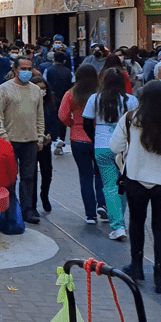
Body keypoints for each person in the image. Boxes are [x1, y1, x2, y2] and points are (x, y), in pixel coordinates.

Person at [109, 81, 161, 294]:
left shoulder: (131, 119)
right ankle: (160, 278)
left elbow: (114, 146)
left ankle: (136, 267)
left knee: (136, 223)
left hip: (137, 180)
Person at [83, 67, 137, 241]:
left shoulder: (94, 99)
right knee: (123, 184)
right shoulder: (131, 101)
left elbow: (86, 123)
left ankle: (118, 225)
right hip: (125, 147)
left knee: (109, 186)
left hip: (102, 145)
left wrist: (95, 139)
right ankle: (120, 219)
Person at [0, 56, 45, 224]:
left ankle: (27, 209)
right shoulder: (4, 89)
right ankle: (9, 210)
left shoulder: (36, 90)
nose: (26, 72)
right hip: (10, 141)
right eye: (23, 69)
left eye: (30, 69)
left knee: (29, 177)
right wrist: (4, 137)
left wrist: (40, 136)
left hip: (30, 141)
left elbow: (40, 116)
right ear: (15, 70)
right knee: (9, 178)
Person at [59, 65, 105, 225]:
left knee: (85, 176)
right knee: (101, 173)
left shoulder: (71, 94)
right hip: (99, 136)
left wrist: (74, 124)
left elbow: (62, 115)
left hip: (78, 138)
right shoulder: (101, 93)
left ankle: (90, 214)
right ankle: (103, 204)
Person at [32, 72, 55, 214]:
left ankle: (44, 195)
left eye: (43, 88)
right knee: (31, 174)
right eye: (39, 88)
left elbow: (54, 121)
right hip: (31, 142)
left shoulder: (50, 104)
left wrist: (52, 135)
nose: (42, 91)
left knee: (47, 172)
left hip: (45, 143)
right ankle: (31, 202)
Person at [45, 51, 74, 154]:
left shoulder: (48, 71)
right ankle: (61, 138)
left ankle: (53, 138)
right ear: (64, 61)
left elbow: (44, 84)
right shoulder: (69, 72)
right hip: (64, 99)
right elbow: (72, 86)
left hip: (51, 99)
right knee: (63, 119)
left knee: (51, 119)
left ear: (53, 59)